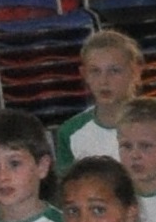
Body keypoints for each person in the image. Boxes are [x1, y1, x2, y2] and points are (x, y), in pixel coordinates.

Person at [52, 28, 146, 172]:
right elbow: (67, 184)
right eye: (95, 71)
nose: (104, 81)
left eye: (114, 71)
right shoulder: (70, 132)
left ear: (135, 72)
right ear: (84, 74)